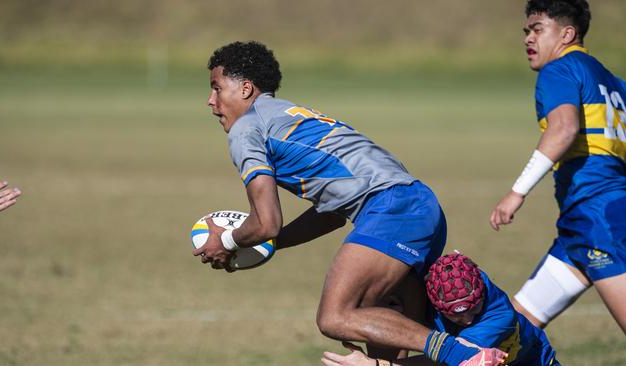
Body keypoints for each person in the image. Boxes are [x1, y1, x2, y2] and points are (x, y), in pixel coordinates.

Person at [194, 41, 505, 365]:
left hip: (391, 209)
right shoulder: (284, 115)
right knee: (381, 328)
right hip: (417, 206)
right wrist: (270, 245)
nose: (211, 101)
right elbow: (330, 216)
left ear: (245, 88)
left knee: (335, 317)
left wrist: (227, 241)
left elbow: (266, 221)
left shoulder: (246, 129)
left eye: (217, 88)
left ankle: (463, 354)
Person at [489, 0, 626, 332]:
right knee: (512, 332)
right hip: (584, 224)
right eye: (526, 31)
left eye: (537, 29)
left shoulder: (560, 69)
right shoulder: (613, 83)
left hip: (597, 217)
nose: (528, 39)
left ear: (567, 33)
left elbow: (563, 129)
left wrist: (515, 193)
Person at [321, 253, 558, 366]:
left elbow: (446, 361)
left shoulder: (498, 317)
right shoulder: (438, 286)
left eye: (474, 309)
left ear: (480, 292)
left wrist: (376, 365)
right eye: (455, 314)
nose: (466, 320)